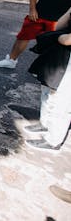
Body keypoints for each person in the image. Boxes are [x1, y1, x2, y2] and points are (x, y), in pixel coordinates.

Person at [24, 8, 71, 151]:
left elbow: (68, 40)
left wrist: (56, 37)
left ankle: (53, 140)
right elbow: (60, 26)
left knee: (62, 99)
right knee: (49, 89)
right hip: (63, 55)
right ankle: (45, 124)